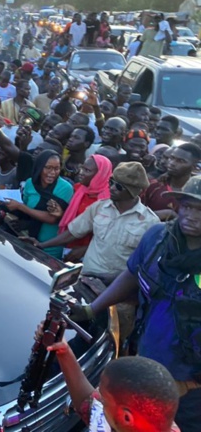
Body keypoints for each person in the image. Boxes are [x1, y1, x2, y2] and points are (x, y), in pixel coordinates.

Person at [72, 175, 201, 430]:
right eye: (187, 206)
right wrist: (92, 308)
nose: (192, 215)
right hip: (147, 363)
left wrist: (190, 383)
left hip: (191, 384)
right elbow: (132, 275)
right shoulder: (157, 238)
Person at [47, 339, 180, 432]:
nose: (99, 401)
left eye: (104, 401)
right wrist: (64, 353)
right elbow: (87, 404)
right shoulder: (149, 424)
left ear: (126, 418)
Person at [4, 150, 73, 258]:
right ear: (39, 167)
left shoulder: (65, 188)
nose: (52, 172)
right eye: (48, 167)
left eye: (56, 168)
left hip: (50, 246)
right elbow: (26, 210)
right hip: (28, 240)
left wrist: (20, 206)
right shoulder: (30, 183)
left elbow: (52, 218)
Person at [55, 154, 112, 261]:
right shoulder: (78, 189)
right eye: (82, 167)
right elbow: (75, 219)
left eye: (87, 170)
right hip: (69, 245)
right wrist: (61, 214)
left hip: (93, 254)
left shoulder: (108, 199)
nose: (81, 172)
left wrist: (85, 249)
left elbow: (109, 235)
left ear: (100, 174)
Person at [143, 143, 201, 221]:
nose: (172, 163)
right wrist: (161, 214)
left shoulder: (197, 194)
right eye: (171, 158)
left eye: (180, 161)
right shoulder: (153, 186)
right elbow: (136, 215)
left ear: (195, 168)